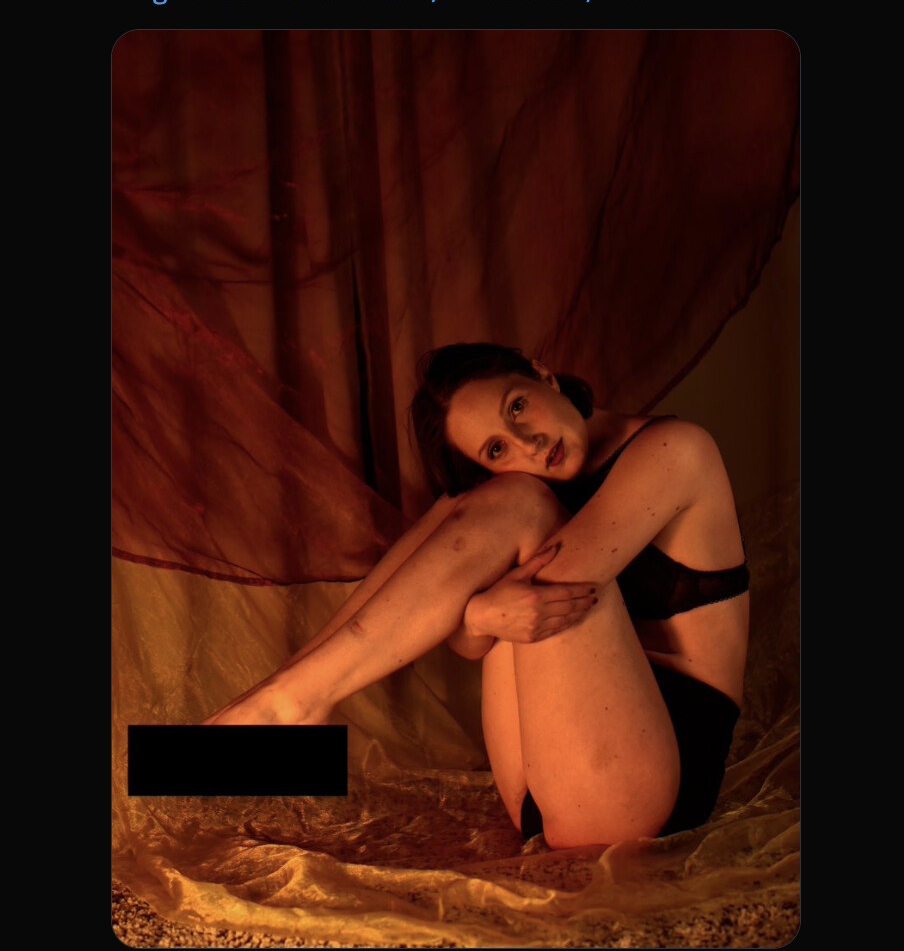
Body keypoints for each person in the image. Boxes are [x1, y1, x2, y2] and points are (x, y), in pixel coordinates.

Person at [206, 343, 749, 850]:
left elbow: (546, 592)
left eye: (517, 407)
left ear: (543, 375)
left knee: (516, 500)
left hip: (647, 789)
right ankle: (286, 696)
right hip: (545, 785)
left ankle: (294, 705)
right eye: (497, 448)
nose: (529, 443)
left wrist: (474, 613)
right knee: (475, 499)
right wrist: (476, 617)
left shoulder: (677, 449)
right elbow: (472, 639)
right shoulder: (522, 481)